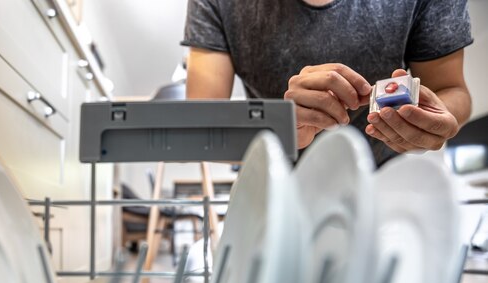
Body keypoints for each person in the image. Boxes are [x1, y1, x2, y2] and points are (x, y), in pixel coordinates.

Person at [182, 0, 473, 166]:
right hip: (277, 189)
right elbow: (201, 129)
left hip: (390, 188)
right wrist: (282, 130)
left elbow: (451, 91)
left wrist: (428, 123)